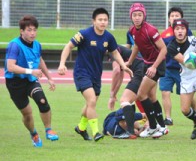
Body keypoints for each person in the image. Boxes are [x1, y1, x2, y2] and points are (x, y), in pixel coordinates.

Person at [58, 8, 133, 142]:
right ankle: (96, 132)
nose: (103, 22)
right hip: (82, 73)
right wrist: (62, 64)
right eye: (100, 20)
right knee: (92, 101)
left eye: (105, 20)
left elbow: (115, 52)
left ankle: (81, 127)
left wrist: (124, 66)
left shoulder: (108, 37)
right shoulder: (84, 34)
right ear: (94, 21)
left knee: (90, 104)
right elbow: (68, 46)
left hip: (96, 75)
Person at [5, 15, 59, 148]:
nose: (32, 33)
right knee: (27, 114)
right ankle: (33, 133)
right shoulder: (14, 45)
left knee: (43, 102)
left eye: (34, 30)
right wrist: (31, 71)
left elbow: (40, 60)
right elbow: (11, 67)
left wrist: (50, 78)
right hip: (15, 83)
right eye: (29, 30)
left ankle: (48, 130)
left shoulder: (37, 45)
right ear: (21, 31)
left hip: (30, 80)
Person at [127, 2, 168, 138]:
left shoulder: (150, 30)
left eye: (140, 15)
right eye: (134, 15)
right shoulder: (133, 30)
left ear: (144, 16)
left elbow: (164, 49)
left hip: (157, 65)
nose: (137, 17)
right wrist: (130, 61)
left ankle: (152, 126)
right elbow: (137, 46)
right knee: (151, 96)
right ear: (131, 16)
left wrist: (154, 67)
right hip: (147, 64)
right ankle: (162, 126)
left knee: (141, 94)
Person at [159, 7, 196, 131]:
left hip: (183, 70)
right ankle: (168, 118)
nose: (174, 18)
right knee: (165, 92)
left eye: (177, 16)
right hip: (167, 69)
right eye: (172, 16)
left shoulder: (187, 32)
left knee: (189, 97)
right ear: (168, 19)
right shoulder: (164, 35)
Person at [107, 45, 146, 139]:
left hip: (139, 71)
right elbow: (120, 76)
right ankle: (153, 126)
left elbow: (116, 71)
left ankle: (130, 131)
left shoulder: (113, 51)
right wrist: (114, 94)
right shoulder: (118, 50)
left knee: (125, 101)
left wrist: (112, 95)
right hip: (145, 68)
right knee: (140, 98)